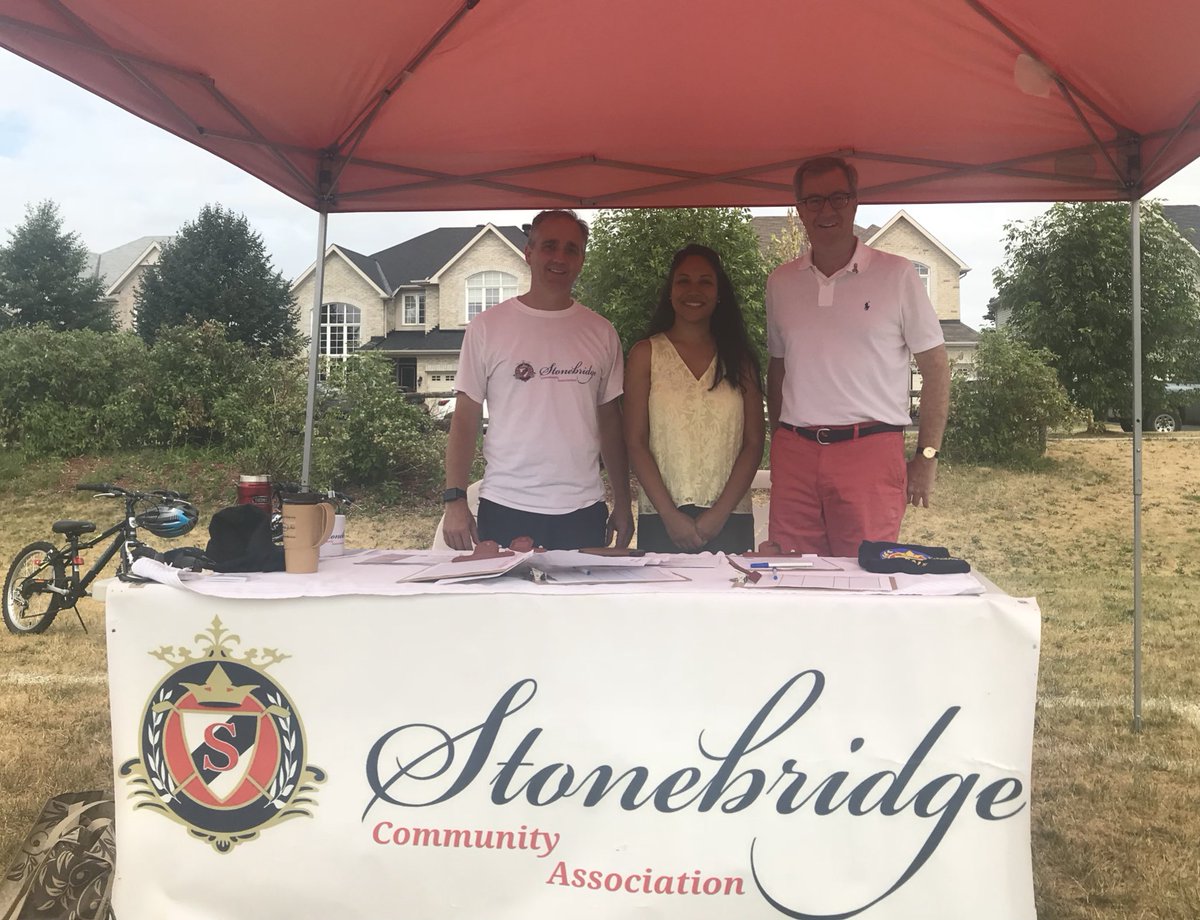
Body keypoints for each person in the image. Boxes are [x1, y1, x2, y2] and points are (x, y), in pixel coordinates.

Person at [766, 156, 950, 556]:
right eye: (813, 201)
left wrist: (927, 456)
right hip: (796, 454)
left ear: (854, 202)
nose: (826, 210)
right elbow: (778, 368)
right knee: (791, 580)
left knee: (867, 584)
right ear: (799, 209)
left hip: (869, 452)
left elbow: (936, 370)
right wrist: (779, 441)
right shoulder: (780, 283)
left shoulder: (898, 275)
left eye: (837, 198)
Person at [442, 209, 633, 551]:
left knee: (580, 606)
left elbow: (610, 424)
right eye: (550, 246)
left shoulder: (602, 333)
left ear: (582, 259)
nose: (560, 257)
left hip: (583, 509)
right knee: (506, 606)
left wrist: (621, 501)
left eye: (572, 249)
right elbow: (465, 418)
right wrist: (455, 500)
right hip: (505, 507)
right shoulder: (487, 328)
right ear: (528, 252)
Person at [624, 244, 765, 553]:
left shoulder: (740, 360)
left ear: (719, 293)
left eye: (705, 281)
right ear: (670, 291)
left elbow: (754, 442)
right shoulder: (645, 355)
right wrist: (670, 515)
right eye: (683, 280)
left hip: (730, 518)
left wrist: (718, 515)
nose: (694, 290)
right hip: (662, 518)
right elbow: (635, 441)